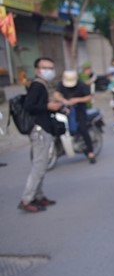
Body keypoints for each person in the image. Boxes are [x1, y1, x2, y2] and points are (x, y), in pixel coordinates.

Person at [19, 57, 64, 213]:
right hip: (39, 130)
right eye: (46, 68)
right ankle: (26, 199)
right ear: (37, 70)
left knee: (42, 164)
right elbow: (29, 106)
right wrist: (48, 106)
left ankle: (39, 196)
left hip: (44, 128)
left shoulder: (43, 85)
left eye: (51, 68)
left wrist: (56, 107)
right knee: (39, 165)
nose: (49, 71)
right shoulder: (37, 85)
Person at [55, 70, 96, 163]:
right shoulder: (61, 84)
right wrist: (63, 100)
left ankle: (90, 152)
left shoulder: (82, 85)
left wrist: (77, 100)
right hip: (66, 109)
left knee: (83, 128)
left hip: (80, 110)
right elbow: (56, 94)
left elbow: (89, 97)